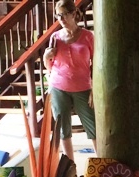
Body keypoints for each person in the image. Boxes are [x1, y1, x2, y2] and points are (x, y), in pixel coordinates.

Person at [43, 0, 97, 160]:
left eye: (64, 14)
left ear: (73, 14)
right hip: (58, 86)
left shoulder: (88, 36)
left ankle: (102, 163)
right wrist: (46, 57)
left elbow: (96, 64)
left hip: (83, 87)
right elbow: (49, 67)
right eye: (58, 15)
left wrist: (94, 90)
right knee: (63, 130)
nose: (61, 19)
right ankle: (70, 166)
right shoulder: (55, 37)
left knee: (93, 127)